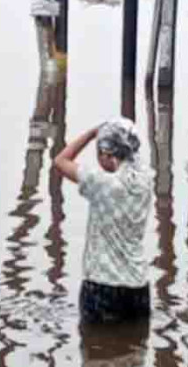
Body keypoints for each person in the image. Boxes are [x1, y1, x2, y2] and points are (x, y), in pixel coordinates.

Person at [53, 118, 152, 326]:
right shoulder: (145, 182)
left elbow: (60, 161)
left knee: (96, 352)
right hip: (138, 286)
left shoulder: (101, 183)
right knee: (135, 351)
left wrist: (91, 134)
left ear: (107, 154)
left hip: (102, 285)